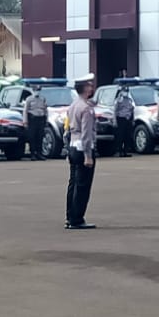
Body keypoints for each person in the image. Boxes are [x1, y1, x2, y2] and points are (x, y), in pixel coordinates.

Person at [66, 73, 98, 229]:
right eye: (89, 85)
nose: (92, 87)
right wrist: (88, 155)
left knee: (73, 184)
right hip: (83, 148)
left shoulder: (73, 105)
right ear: (85, 88)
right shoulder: (86, 108)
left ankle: (70, 216)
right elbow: (86, 134)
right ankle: (77, 219)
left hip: (73, 145)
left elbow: (67, 129)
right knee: (83, 186)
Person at [23, 84, 48, 160]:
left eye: (39, 90)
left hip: (41, 119)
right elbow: (25, 111)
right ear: (33, 91)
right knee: (32, 137)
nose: (37, 92)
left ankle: (39, 153)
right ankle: (32, 154)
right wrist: (25, 121)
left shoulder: (43, 99)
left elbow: (45, 110)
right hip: (32, 119)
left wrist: (46, 120)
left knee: (40, 137)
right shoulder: (29, 99)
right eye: (36, 90)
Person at [114, 85, 135, 157]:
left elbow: (132, 110)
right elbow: (115, 111)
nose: (125, 92)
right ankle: (120, 151)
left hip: (128, 119)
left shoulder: (130, 100)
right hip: (121, 119)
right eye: (124, 91)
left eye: (126, 91)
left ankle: (126, 151)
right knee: (120, 136)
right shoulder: (118, 100)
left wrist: (133, 120)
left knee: (127, 136)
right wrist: (115, 121)